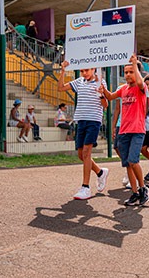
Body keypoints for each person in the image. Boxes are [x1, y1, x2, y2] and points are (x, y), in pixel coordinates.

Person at [99, 54, 149, 206]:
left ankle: (143, 189)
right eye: (126, 72)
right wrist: (103, 90)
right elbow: (110, 96)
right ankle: (134, 193)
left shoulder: (141, 88)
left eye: (131, 71)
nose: (128, 74)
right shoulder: (122, 89)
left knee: (134, 161)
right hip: (124, 131)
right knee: (127, 163)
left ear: (137, 71)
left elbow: (140, 82)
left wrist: (135, 64)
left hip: (137, 130)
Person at [58, 61, 109, 200]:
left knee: (87, 152)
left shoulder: (101, 83)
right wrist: (63, 71)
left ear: (94, 69)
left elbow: (106, 105)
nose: (84, 73)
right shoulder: (79, 82)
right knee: (81, 155)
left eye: (87, 70)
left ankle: (85, 187)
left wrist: (101, 94)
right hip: (80, 120)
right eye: (82, 71)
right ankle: (100, 172)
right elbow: (61, 88)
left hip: (94, 120)